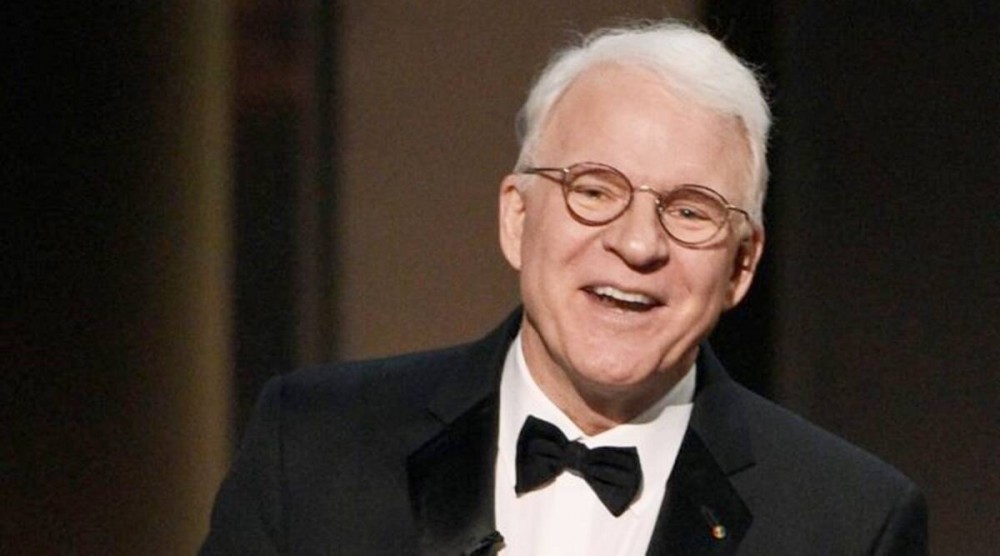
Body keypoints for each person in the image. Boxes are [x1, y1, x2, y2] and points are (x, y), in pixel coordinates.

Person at [201, 20, 927, 555]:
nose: (639, 244)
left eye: (690, 211)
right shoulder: (315, 446)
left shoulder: (850, 521)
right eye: (595, 190)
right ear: (518, 218)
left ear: (741, 266)